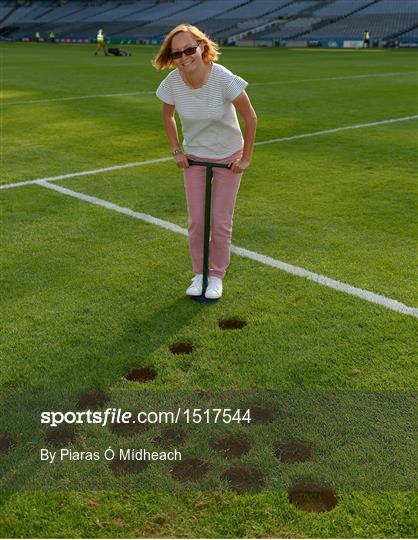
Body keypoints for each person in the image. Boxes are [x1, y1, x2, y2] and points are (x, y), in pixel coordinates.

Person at [153, 24, 257, 299]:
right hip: (195, 158)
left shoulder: (222, 78)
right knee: (197, 221)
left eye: (189, 49)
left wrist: (245, 158)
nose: (184, 57)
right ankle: (199, 273)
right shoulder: (173, 82)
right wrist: (177, 151)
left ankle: (216, 276)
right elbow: (167, 117)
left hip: (228, 157)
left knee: (220, 221)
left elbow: (250, 117)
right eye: (177, 53)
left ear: (202, 47)